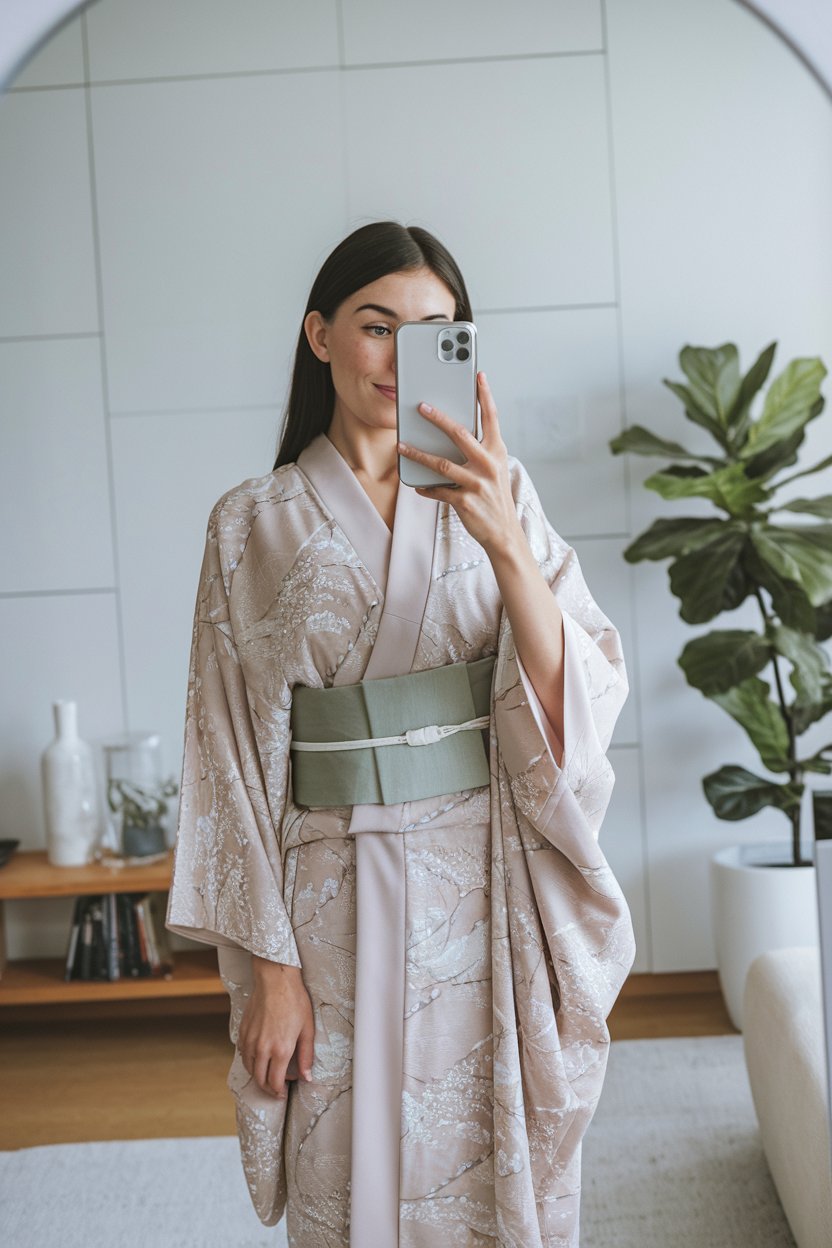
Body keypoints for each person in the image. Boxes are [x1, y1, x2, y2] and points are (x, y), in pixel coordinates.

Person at [165, 220, 636, 1248]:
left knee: (476, 1152)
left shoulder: (499, 493)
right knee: (350, 1158)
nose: (398, 355)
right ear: (320, 336)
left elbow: (580, 690)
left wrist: (505, 541)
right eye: (376, 326)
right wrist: (270, 972)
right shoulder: (247, 523)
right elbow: (225, 756)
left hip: (482, 883)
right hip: (322, 896)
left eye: (434, 332)